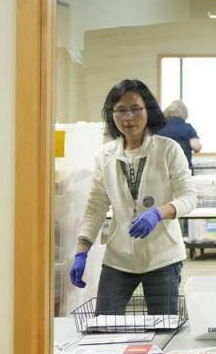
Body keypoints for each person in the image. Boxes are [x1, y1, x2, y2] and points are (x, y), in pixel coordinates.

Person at [68, 79, 197, 315]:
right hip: (118, 258)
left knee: (163, 329)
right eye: (120, 110)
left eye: (135, 109)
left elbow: (188, 197)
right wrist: (81, 251)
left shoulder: (167, 149)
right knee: (104, 325)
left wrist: (159, 213)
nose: (128, 117)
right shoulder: (104, 155)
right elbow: (96, 206)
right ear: (112, 115)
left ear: (148, 110)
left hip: (162, 257)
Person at [156, 99, 202, 168]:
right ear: (185, 113)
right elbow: (196, 147)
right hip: (182, 168)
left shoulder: (159, 127)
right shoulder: (187, 128)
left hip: (162, 169)